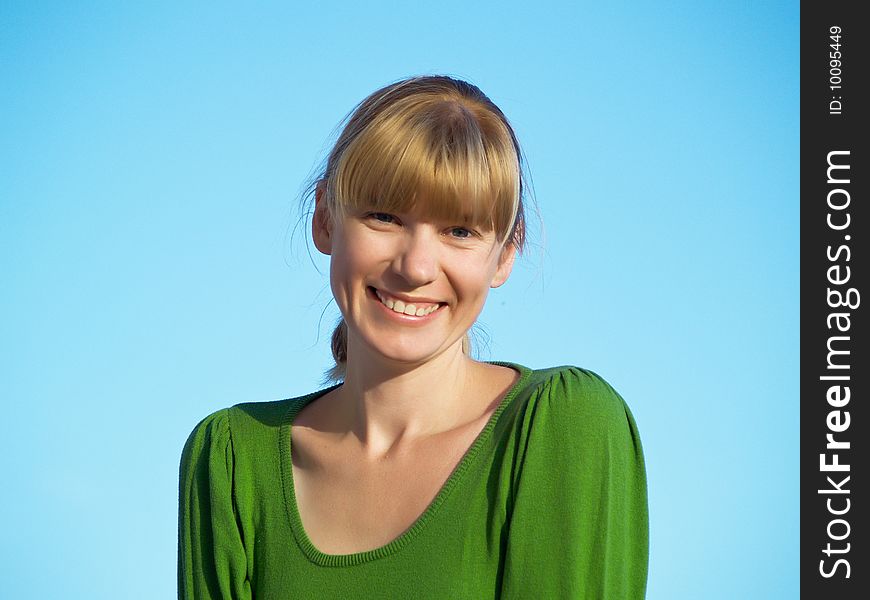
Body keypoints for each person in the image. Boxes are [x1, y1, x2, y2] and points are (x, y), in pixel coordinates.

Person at [178, 75, 648, 599]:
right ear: (325, 218)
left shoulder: (563, 426)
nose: (417, 266)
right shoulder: (229, 457)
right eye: (384, 216)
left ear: (507, 254)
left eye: (461, 231)